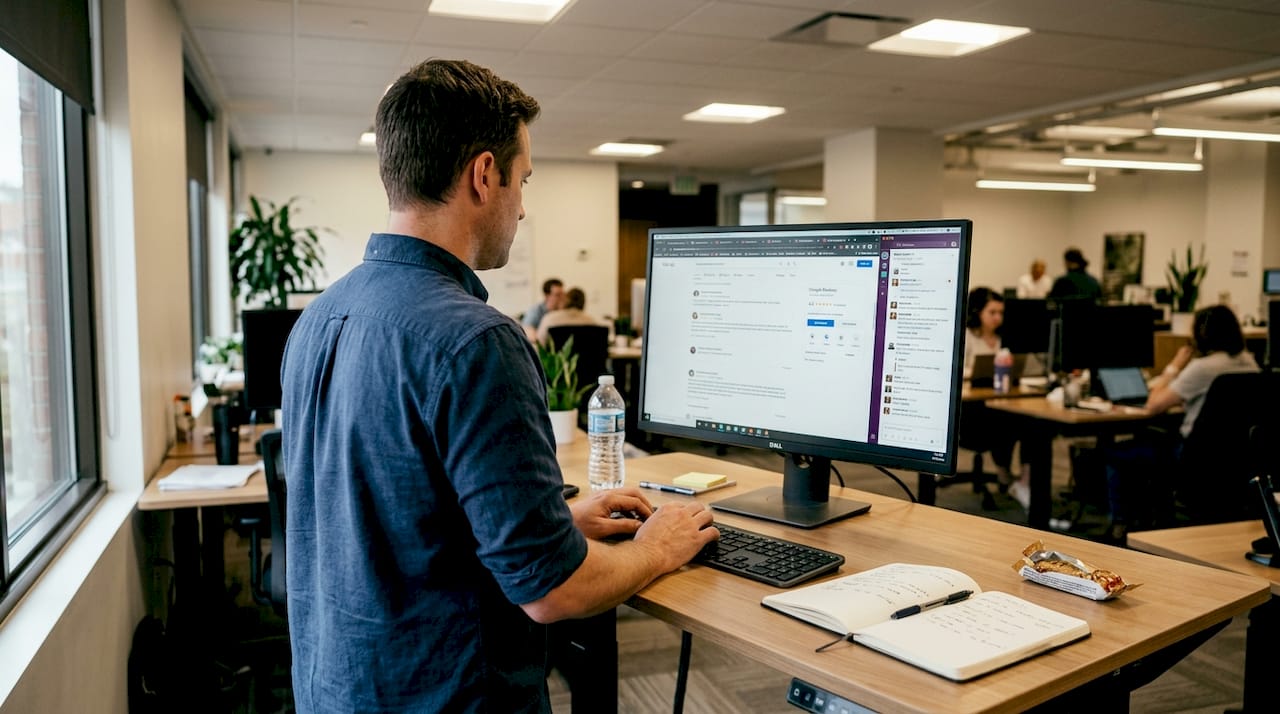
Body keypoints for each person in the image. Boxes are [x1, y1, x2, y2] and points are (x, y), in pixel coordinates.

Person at [279, 59, 718, 713]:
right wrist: (655, 548)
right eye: (524, 181)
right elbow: (554, 592)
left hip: (337, 688)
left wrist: (551, 524)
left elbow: (392, 525)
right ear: (484, 175)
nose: (522, 205)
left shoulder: (320, 316)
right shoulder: (476, 339)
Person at [1102, 305, 1259, 543]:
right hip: (1235, 456)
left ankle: (1120, 525)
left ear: (1201, 334)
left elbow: (1154, 404)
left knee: (1117, 453)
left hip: (1192, 455)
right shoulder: (1250, 363)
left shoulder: (1202, 367)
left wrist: (1174, 366)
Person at [962, 287, 1031, 506]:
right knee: (1004, 421)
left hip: (1000, 401)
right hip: (971, 409)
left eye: (1001, 313)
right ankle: (1004, 474)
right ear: (977, 312)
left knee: (1031, 422)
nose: (997, 318)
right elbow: (955, 370)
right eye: (992, 312)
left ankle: (1025, 480)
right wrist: (975, 371)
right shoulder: (967, 337)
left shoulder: (1005, 338)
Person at [536, 286, 605, 344]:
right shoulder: (592, 322)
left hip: (558, 359)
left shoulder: (549, 319)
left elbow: (540, 345)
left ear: (565, 301)